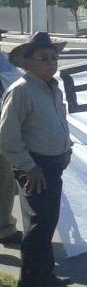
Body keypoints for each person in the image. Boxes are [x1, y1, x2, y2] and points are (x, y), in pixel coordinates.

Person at [0, 32, 74, 287]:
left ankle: (45, 273)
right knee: (37, 225)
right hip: (35, 167)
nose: (51, 62)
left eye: (54, 57)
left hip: (52, 165)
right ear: (28, 62)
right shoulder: (20, 91)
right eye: (43, 58)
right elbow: (6, 137)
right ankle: (30, 283)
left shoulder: (52, 87)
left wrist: (67, 148)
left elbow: (59, 121)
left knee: (47, 222)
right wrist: (29, 167)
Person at [0, 52, 22, 247]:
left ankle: (4, 227)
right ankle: (4, 228)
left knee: (5, 180)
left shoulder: (4, 60)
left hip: (4, 128)